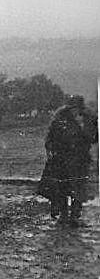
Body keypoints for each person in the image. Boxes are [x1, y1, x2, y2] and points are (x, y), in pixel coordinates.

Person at [37, 95, 98, 226]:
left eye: (77, 108)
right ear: (68, 108)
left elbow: (94, 139)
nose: (75, 111)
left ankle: (75, 216)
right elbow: (49, 138)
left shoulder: (89, 120)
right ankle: (63, 215)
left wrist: (84, 126)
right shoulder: (59, 119)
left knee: (79, 188)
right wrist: (50, 150)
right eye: (72, 108)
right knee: (62, 188)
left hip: (80, 159)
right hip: (62, 159)